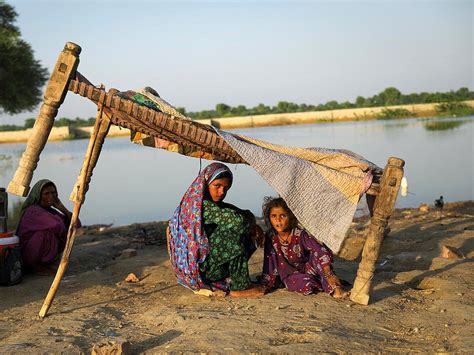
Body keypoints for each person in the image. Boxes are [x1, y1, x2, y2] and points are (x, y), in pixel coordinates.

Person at [168, 162, 265, 297]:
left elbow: (247, 214)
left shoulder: (207, 204)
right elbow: (239, 223)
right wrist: (250, 226)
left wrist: (253, 225)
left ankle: (238, 281)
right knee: (233, 231)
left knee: (238, 227)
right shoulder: (203, 206)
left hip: (206, 267)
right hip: (202, 271)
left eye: (226, 188)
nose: (221, 192)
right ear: (205, 184)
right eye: (217, 186)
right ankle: (240, 287)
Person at [261, 197, 349, 298]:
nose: (278, 220)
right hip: (290, 275)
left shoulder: (300, 233)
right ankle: (320, 282)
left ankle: (335, 289)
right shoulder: (271, 237)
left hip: (309, 268)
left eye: (283, 215)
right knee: (305, 284)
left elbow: (318, 250)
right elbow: (269, 260)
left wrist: (329, 273)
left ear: (290, 217)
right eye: (273, 216)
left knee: (317, 259)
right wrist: (267, 282)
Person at [16, 179, 80, 275]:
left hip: (36, 253)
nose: (51, 196)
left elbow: (77, 224)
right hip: (26, 255)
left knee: (62, 231)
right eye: (46, 194)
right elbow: (57, 225)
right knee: (46, 232)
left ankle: (44, 263)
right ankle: (36, 267)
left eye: (53, 193)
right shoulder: (33, 211)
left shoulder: (50, 210)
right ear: (38, 195)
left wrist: (63, 209)